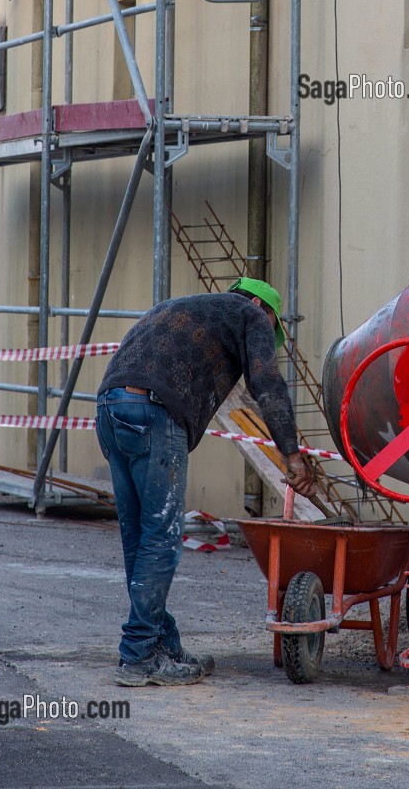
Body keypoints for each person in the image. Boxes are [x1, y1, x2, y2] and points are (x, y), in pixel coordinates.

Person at [96, 278, 316, 688]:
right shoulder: (251, 313)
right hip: (153, 415)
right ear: (258, 305)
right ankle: (139, 655)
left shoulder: (184, 305)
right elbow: (266, 384)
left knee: (140, 537)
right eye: (272, 326)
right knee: (160, 539)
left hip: (110, 407)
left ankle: (161, 642)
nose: (267, 336)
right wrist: (292, 454)